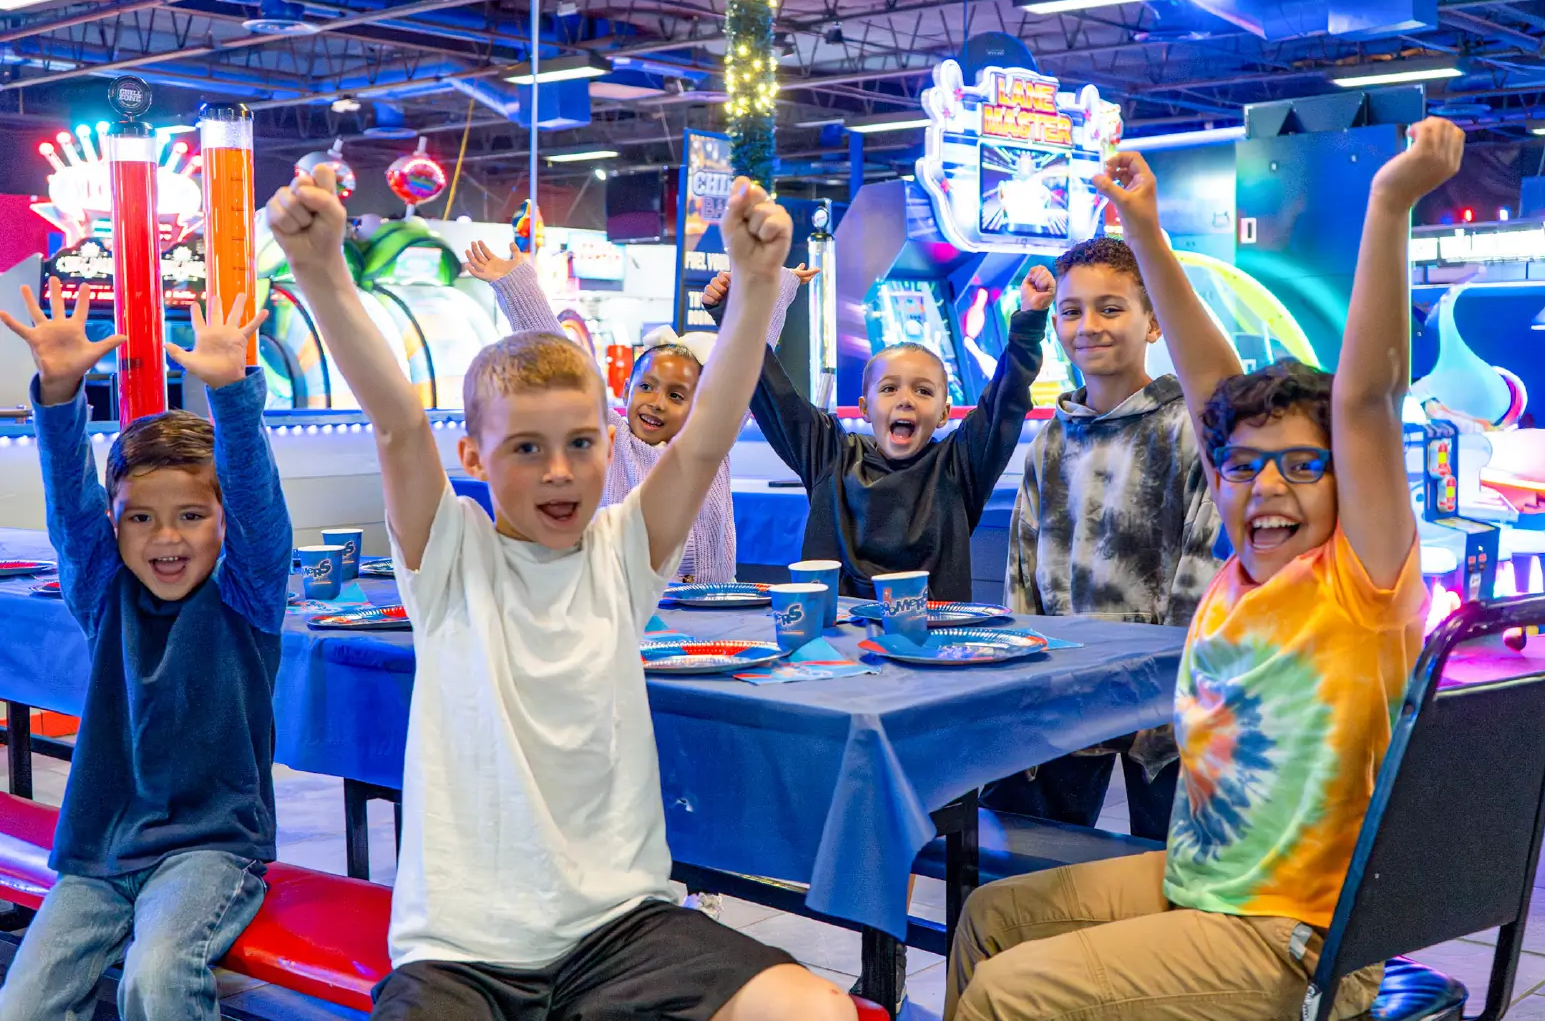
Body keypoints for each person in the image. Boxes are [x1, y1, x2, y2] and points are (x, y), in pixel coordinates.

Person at [269, 167, 854, 1021]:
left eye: (581, 443)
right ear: (472, 459)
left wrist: (757, 289)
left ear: (608, 441)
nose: (559, 471)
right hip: (461, 955)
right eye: (526, 449)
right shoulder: (449, 557)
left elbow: (700, 445)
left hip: (621, 932)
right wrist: (323, 273)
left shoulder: (621, 552)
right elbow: (396, 421)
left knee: (815, 1011)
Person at [947, 118, 1464, 1021]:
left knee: (1006, 992)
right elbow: (1209, 388)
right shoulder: (1241, 576)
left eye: (1303, 465)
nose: (1266, 486)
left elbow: (1365, 396)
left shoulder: (1358, 585)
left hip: (1297, 940)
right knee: (990, 919)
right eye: (1241, 465)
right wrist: (1142, 226)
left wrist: (1389, 202)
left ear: (1348, 481)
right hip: (1203, 890)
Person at [0, 285, 291, 1021]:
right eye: (142, 519)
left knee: (155, 979)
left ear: (222, 523)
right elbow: (69, 507)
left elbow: (257, 505)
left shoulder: (246, 598)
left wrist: (230, 395)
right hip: (99, 854)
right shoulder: (103, 593)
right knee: (24, 1004)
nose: (167, 539)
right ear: (116, 524)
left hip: (211, 850)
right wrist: (60, 394)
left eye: (191, 516)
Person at [983, 239, 1225, 842]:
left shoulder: (1188, 430)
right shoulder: (1050, 442)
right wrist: (1027, 686)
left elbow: (1202, 579)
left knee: (1167, 879)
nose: (1087, 326)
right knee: (1029, 867)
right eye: (1071, 311)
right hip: (1062, 698)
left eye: (1110, 308)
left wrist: (1166, 708)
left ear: (1152, 322)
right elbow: (1021, 578)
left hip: (1166, 708)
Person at [464, 240, 813, 583]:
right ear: (627, 391)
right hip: (626, 603)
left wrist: (778, 285)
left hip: (716, 605)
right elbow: (559, 363)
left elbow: (749, 363)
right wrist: (516, 284)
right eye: (646, 387)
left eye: (677, 396)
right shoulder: (607, 436)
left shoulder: (709, 439)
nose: (656, 402)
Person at [701, 270, 1049, 600]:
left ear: (945, 414)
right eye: (889, 388)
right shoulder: (828, 455)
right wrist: (733, 318)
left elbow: (1006, 398)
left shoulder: (960, 468)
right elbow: (772, 392)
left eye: (924, 392)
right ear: (865, 408)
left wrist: (1029, 323)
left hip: (929, 647)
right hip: (836, 649)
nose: (906, 400)